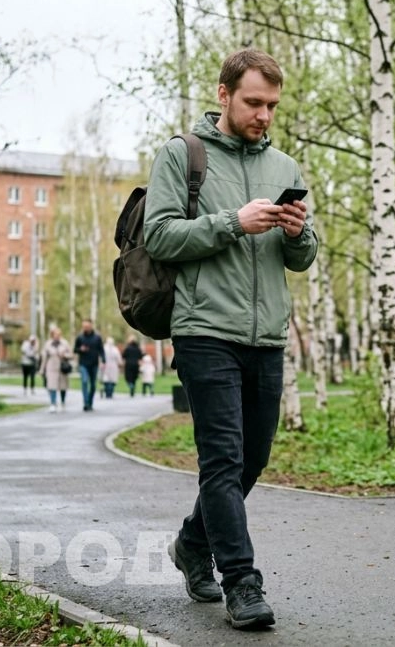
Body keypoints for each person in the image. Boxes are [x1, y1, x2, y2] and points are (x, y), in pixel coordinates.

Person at [142, 48, 318, 630]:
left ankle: (193, 544)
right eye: (253, 102)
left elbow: (304, 256)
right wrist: (230, 224)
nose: (264, 115)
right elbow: (160, 236)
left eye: (271, 105)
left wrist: (296, 234)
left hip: (266, 335)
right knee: (222, 457)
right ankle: (241, 582)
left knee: (254, 458)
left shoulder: (285, 167)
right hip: (203, 330)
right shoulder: (181, 156)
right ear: (223, 95)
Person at [73, 319, 105, 412]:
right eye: (84, 327)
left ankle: (90, 402)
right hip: (83, 364)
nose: (85, 328)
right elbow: (75, 349)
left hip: (94, 364)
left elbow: (101, 350)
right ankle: (86, 403)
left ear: (91, 326)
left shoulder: (97, 338)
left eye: (87, 326)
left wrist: (103, 359)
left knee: (93, 385)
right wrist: (80, 349)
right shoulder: (80, 337)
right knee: (84, 381)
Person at [39, 326, 73, 413]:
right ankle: (53, 404)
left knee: (63, 387)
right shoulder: (48, 344)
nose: (57, 336)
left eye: (59, 334)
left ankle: (62, 402)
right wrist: (42, 370)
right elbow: (44, 358)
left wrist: (65, 355)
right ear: (52, 335)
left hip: (62, 368)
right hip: (51, 367)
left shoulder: (65, 343)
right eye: (55, 334)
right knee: (52, 386)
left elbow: (71, 355)